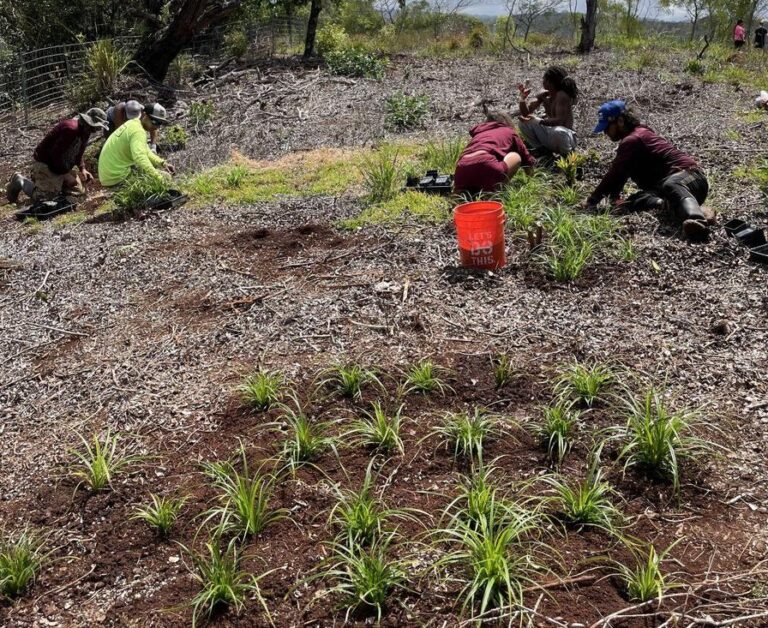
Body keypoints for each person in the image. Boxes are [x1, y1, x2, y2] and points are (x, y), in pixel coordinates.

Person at [583, 100, 714, 242]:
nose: (605, 132)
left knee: (671, 184)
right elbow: (621, 173)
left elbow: (614, 174)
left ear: (620, 121)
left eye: (607, 127)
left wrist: (592, 200)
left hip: (691, 177)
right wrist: (614, 197)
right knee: (636, 200)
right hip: (668, 190)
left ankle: (697, 220)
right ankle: (683, 208)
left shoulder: (634, 139)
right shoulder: (635, 137)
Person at [6, 108, 109, 203]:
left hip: (61, 165)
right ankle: (20, 181)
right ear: (88, 123)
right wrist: (65, 174)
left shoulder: (85, 131)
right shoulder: (71, 129)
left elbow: (78, 153)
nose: (97, 130)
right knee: (45, 198)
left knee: (78, 193)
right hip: (46, 163)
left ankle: (57, 186)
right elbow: (55, 155)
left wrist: (82, 169)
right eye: (96, 127)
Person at [453, 111, 536, 196]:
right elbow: (526, 158)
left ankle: (465, 193)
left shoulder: (479, 134)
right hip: (487, 163)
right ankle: (497, 189)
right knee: (515, 156)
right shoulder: (509, 131)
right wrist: (531, 178)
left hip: (461, 167)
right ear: (506, 121)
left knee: (465, 193)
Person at [98, 103, 174, 187]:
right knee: (165, 177)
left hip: (109, 175)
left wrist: (162, 163)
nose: (156, 127)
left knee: (155, 173)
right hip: (117, 177)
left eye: (160, 123)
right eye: (154, 121)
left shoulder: (133, 124)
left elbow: (146, 152)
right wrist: (159, 178)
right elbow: (140, 157)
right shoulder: (138, 131)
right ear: (144, 115)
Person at [516, 66, 578, 157]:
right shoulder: (544, 94)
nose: (542, 81)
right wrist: (522, 99)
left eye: (544, 79)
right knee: (523, 123)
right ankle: (543, 152)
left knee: (557, 132)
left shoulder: (562, 96)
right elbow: (526, 114)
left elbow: (560, 121)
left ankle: (567, 156)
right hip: (551, 134)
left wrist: (538, 120)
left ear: (549, 82)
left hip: (565, 137)